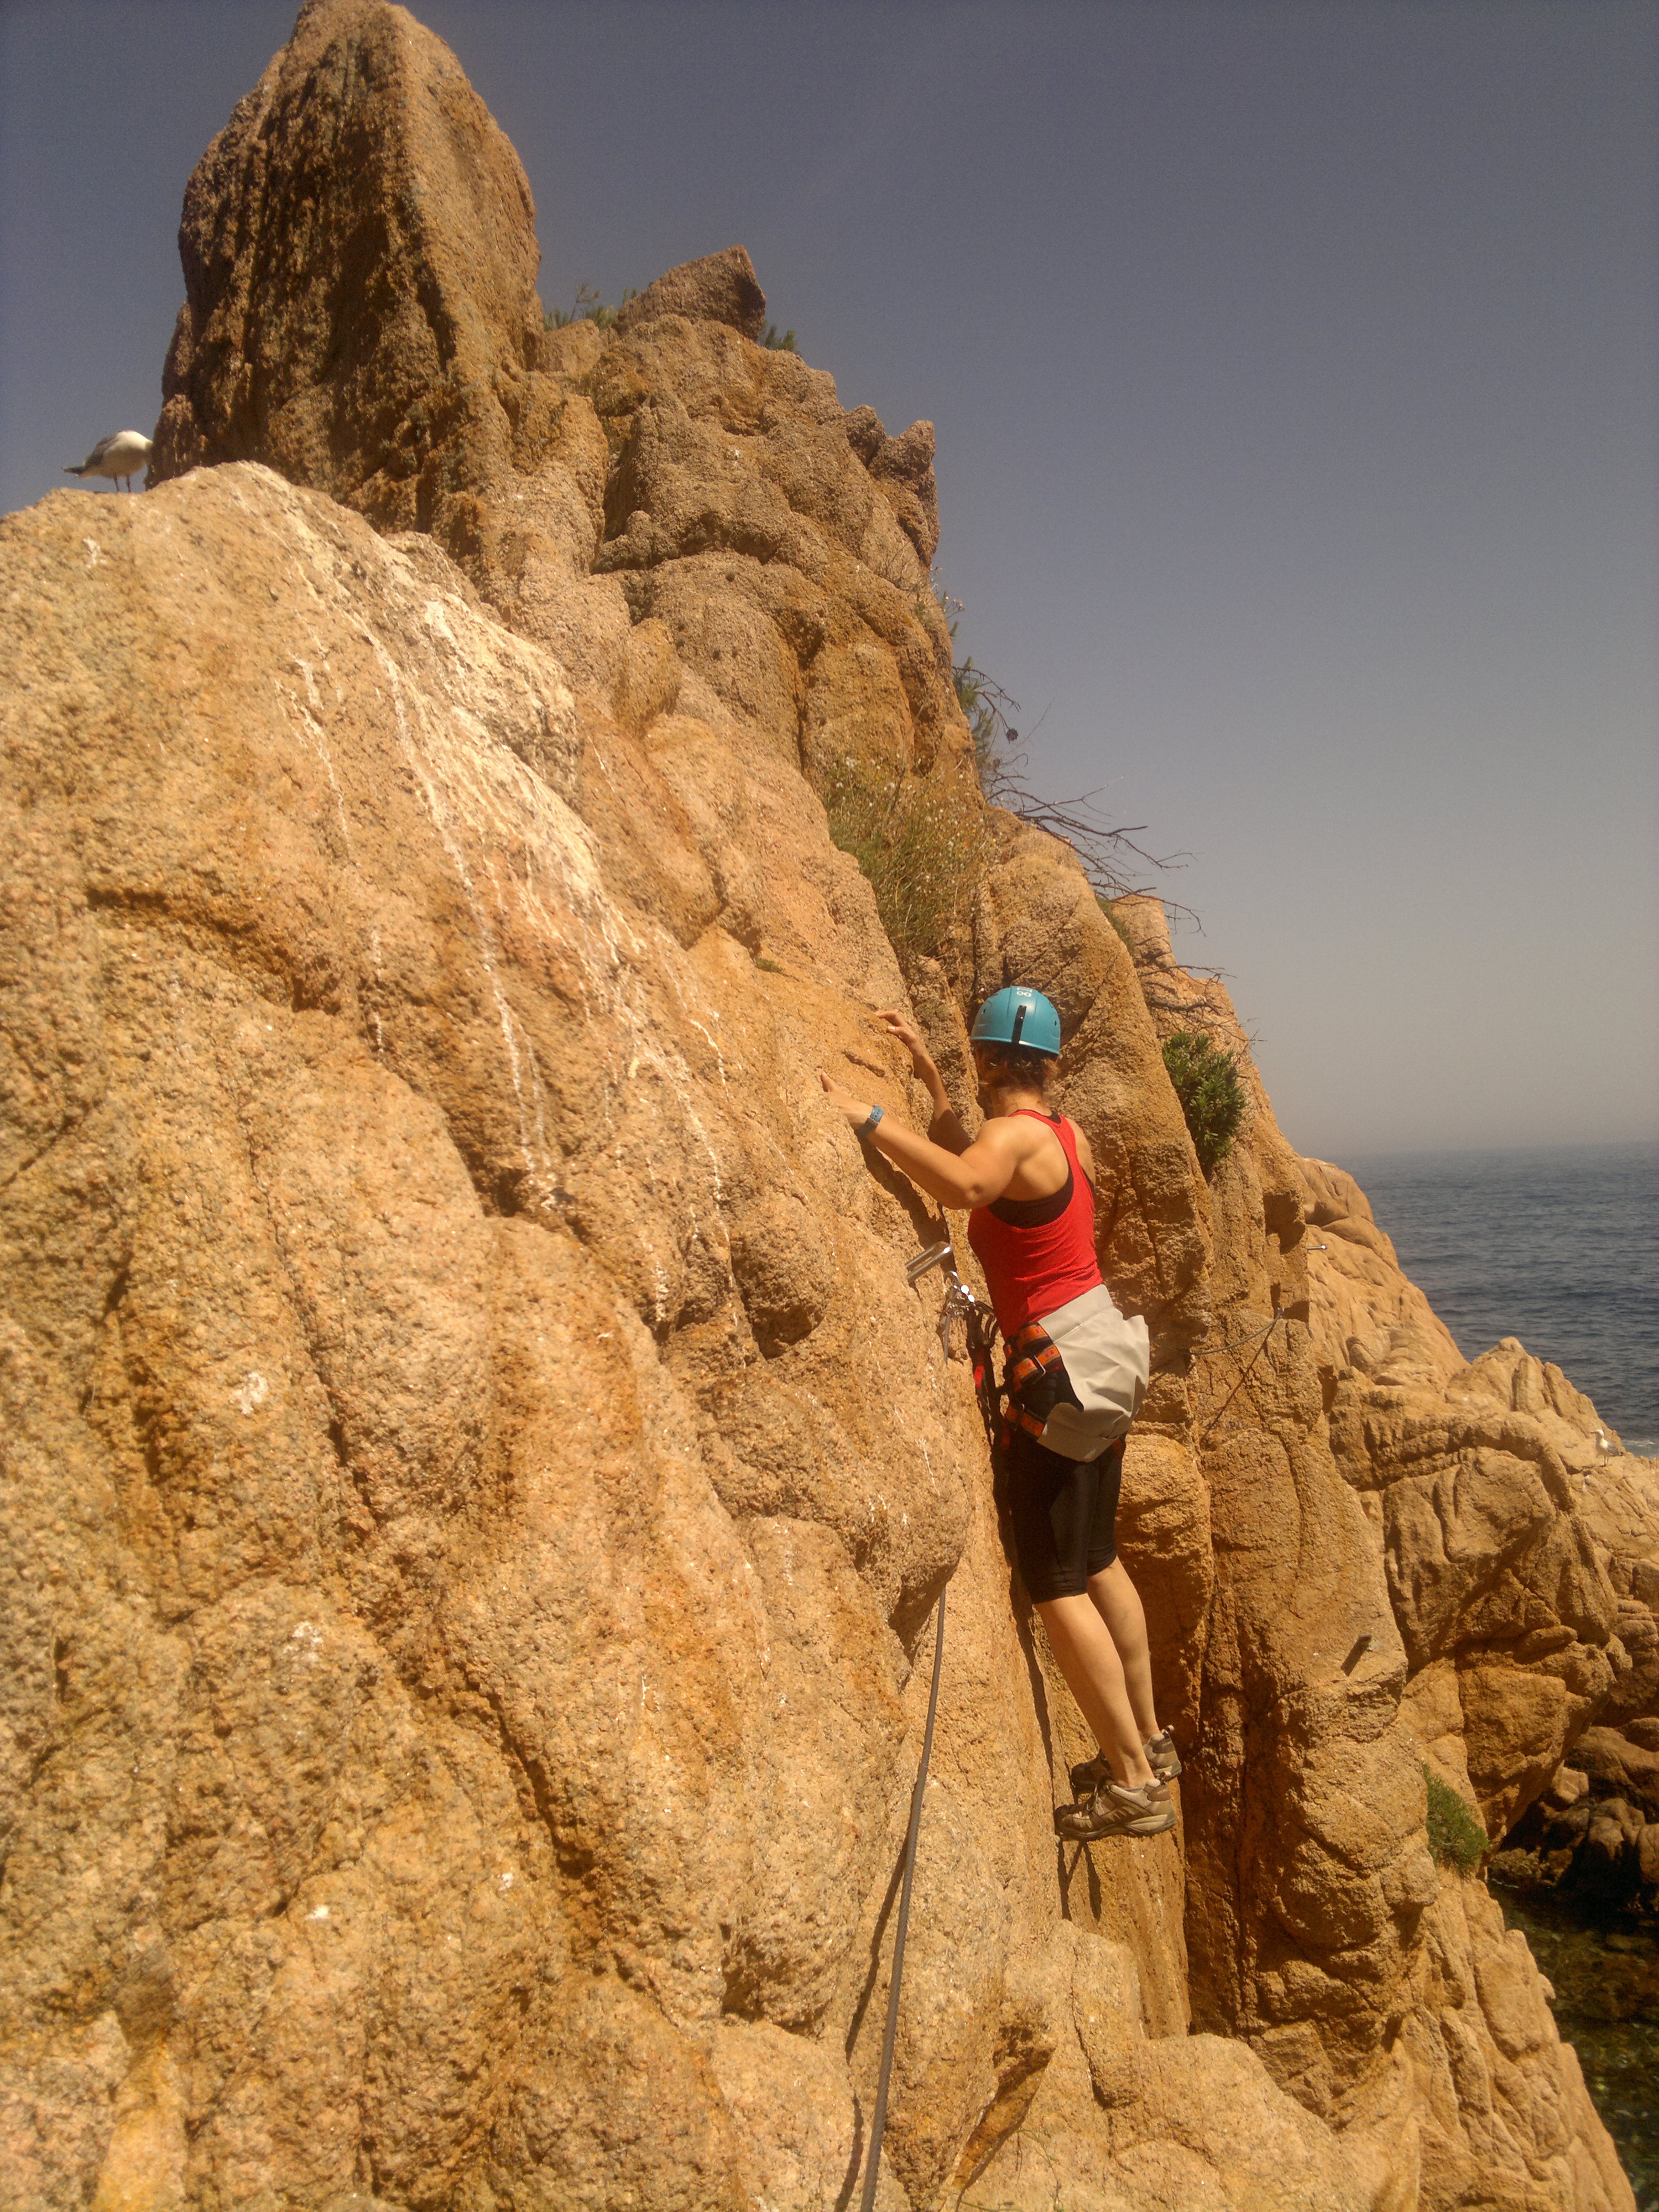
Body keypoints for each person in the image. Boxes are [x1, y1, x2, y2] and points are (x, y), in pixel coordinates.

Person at [817, 986, 1180, 1843]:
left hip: (1060, 1372)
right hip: (1105, 1357)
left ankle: (1133, 1783)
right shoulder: (1061, 1133)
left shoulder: (1012, 1139)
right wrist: (929, 1080)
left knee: (1057, 1584)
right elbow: (981, 1162)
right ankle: (1151, 1740)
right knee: (1100, 1559)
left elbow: (966, 1178)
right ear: (1047, 1064)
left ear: (988, 1059)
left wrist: (869, 1118)